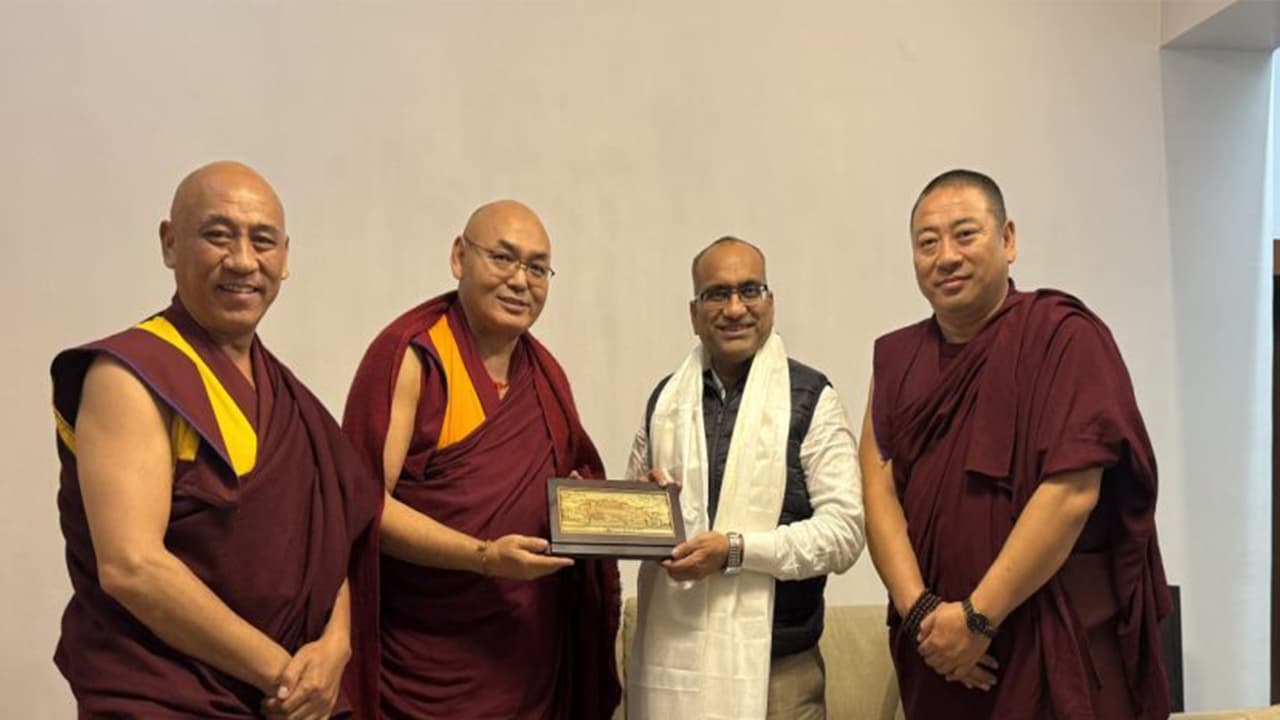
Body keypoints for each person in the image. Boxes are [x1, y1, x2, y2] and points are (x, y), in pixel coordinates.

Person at [50, 161, 382, 719]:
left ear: (286, 257)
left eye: (263, 241)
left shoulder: (285, 394)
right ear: (170, 243)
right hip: (170, 694)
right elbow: (132, 566)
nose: (244, 261)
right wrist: (284, 676)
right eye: (218, 235)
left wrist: (334, 649)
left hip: (291, 698)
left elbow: (333, 531)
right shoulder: (131, 375)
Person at [862, 169, 1171, 719]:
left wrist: (978, 619)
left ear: (1007, 239)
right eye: (927, 242)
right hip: (939, 657)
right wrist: (924, 617)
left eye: (965, 234)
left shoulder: (1063, 338)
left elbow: (1071, 493)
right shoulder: (897, 361)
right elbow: (879, 491)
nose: (946, 256)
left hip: (1050, 643)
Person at [342, 200, 620, 719]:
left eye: (537, 269)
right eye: (503, 258)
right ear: (458, 257)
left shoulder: (544, 376)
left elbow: (571, 494)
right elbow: (362, 506)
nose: (521, 281)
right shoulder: (412, 356)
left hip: (527, 659)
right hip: (425, 662)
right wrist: (485, 556)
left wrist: (642, 511)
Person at [624, 236, 865, 720]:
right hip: (675, 661)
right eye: (717, 294)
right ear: (694, 313)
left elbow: (844, 534)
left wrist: (735, 550)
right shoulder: (663, 401)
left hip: (778, 674)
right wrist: (643, 504)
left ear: (770, 304)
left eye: (749, 290)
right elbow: (633, 519)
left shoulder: (811, 398)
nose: (735, 308)